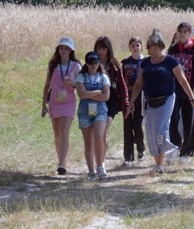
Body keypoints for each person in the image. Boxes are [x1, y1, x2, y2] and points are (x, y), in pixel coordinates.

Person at [126, 29, 194, 174]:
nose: (146, 49)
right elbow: (139, 84)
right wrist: (131, 103)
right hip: (148, 100)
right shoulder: (145, 62)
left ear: (158, 46)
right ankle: (158, 163)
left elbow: (183, 82)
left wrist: (193, 99)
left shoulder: (171, 61)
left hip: (166, 100)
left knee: (160, 129)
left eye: (149, 46)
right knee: (150, 131)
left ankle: (160, 164)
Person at [41, 37, 82, 175]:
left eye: (66, 48)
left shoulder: (76, 66)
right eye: (61, 48)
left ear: (71, 51)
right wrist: (43, 106)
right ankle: (61, 162)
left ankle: (62, 163)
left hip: (69, 102)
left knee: (64, 130)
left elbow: (81, 84)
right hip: (54, 102)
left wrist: (73, 84)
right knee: (57, 134)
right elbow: (47, 86)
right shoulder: (53, 65)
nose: (63, 50)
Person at [167, 22, 194, 164]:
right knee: (173, 119)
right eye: (180, 31)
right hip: (174, 89)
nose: (182, 34)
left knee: (189, 121)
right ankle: (175, 146)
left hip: (189, 89)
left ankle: (186, 152)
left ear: (189, 33)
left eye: (185, 31)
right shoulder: (173, 49)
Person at [75, 51, 111, 180]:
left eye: (95, 63)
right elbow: (81, 94)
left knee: (99, 136)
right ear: (87, 64)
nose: (93, 66)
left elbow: (106, 96)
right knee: (88, 142)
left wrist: (88, 93)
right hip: (85, 112)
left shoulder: (103, 77)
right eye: (91, 63)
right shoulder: (81, 77)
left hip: (100, 111)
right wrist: (96, 92)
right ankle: (91, 171)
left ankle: (100, 166)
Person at [94, 36, 129, 164]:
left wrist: (126, 104)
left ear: (108, 49)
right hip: (95, 100)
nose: (101, 52)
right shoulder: (92, 64)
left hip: (111, 101)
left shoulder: (115, 65)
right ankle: (98, 159)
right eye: (99, 49)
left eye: (104, 49)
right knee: (96, 135)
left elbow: (122, 85)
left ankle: (101, 162)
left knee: (103, 133)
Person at [121, 36, 146, 166]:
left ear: (141, 46)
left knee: (138, 125)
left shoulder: (147, 61)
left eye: (138, 45)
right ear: (129, 48)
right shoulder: (124, 62)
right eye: (133, 45)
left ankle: (141, 148)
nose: (135, 47)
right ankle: (128, 157)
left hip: (141, 98)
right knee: (127, 126)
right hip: (127, 97)